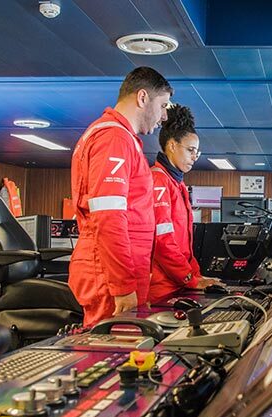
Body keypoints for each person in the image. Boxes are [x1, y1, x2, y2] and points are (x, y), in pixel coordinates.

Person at [68, 67, 172, 326]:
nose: (164, 116)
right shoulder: (114, 137)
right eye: (163, 105)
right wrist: (123, 286)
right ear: (143, 98)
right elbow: (109, 217)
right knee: (108, 357)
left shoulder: (120, 137)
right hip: (108, 273)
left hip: (116, 269)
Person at [147, 104, 221, 302]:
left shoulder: (177, 184)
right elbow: (163, 242)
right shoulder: (159, 182)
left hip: (177, 283)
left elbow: (184, 247)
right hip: (161, 288)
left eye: (197, 152)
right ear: (172, 145)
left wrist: (196, 276)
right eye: (190, 150)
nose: (194, 158)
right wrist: (190, 279)